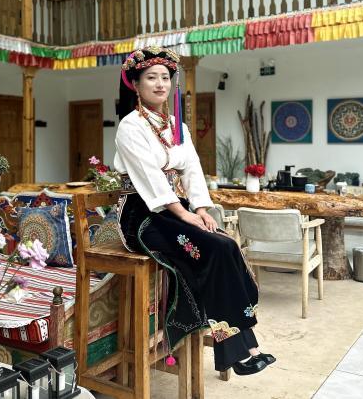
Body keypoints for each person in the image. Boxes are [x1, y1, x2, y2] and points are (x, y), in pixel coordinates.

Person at [113, 47, 274, 375]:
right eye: (151, 78)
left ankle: (244, 350)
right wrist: (186, 215)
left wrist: (201, 209)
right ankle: (242, 352)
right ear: (136, 85)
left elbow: (192, 170)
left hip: (175, 210)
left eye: (165, 77)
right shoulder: (130, 126)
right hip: (144, 217)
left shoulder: (177, 126)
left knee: (226, 245)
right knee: (215, 249)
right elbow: (151, 178)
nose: (160, 84)